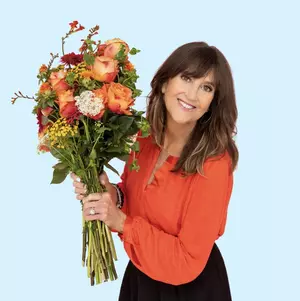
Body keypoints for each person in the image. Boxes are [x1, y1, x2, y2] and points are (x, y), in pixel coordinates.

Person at [71, 41, 238, 300]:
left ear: (213, 103)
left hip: (191, 289)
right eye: (186, 78)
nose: (192, 95)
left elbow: (186, 260)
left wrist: (122, 223)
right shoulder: (147, 137)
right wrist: (110, 195)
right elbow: (134, 197)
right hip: (141, 277)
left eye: (206, 87)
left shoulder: (213, 165)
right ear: (164, 83)